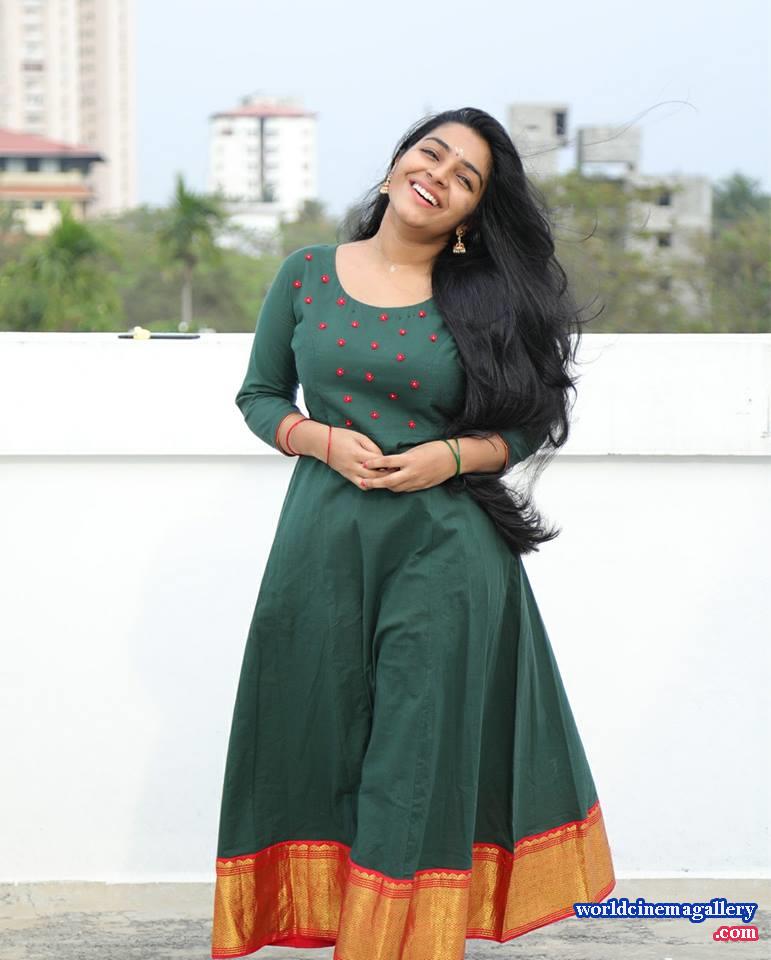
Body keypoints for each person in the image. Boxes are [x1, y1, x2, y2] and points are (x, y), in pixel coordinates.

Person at [211, 107, 615, 960]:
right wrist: (317, 439)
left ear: (472, 213)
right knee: (319, 736)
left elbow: (531, 423)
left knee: (412, 758)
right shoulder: (305, 273)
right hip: (322, 548)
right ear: (399, 159)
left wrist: (450, 456)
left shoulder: (483, 300)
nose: (438, 177)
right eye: (431, 154)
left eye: (465, 178)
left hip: (444, 552)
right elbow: (258, 396)